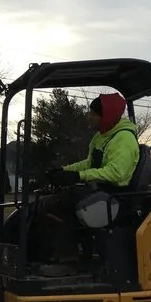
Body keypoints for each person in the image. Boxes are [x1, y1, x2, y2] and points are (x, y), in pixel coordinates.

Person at [39, 92, 141, 263]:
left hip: (116, 197)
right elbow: (90, 163)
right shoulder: (102, 136)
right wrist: (63, 170)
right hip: (102, 191)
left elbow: (117, 173)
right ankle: (62, 254)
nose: (89, 117)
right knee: (50, 202)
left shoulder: (124, 139)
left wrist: (79, 176)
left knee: (57, 206)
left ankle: (68, 258)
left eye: (93, 114)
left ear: (106, 115)